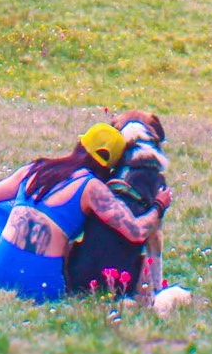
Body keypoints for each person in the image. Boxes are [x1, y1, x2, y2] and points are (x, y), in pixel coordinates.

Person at [0, 123, 167, 302]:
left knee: (2, 208)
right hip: (43, 289)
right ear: (111, 167)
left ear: (80, 144)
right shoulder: (92, 188)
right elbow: (137, 232)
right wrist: (158, 205)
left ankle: (7, 254)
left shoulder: (36, 168)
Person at [64, 111, 168, 297]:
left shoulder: (110, 175)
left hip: (78, 277)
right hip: (121, 283)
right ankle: (156, 291)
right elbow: (154, 237)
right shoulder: (152, 174)